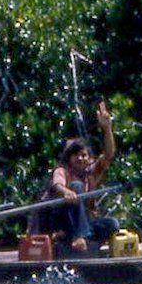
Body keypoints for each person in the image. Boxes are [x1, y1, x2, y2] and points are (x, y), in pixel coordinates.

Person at [43, 100, 119, 254]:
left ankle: (81, 241)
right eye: (76, 155)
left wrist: (107, 128)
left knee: (112, 224)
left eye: (84, 155)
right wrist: (66, 192)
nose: (80, 159)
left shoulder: (90, 172)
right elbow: (57, 184)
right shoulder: (62, 170)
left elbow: (109, 154)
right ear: (69, 158)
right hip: (64, 220)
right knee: (77, 186)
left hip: (84, 224)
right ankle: (76, 237)